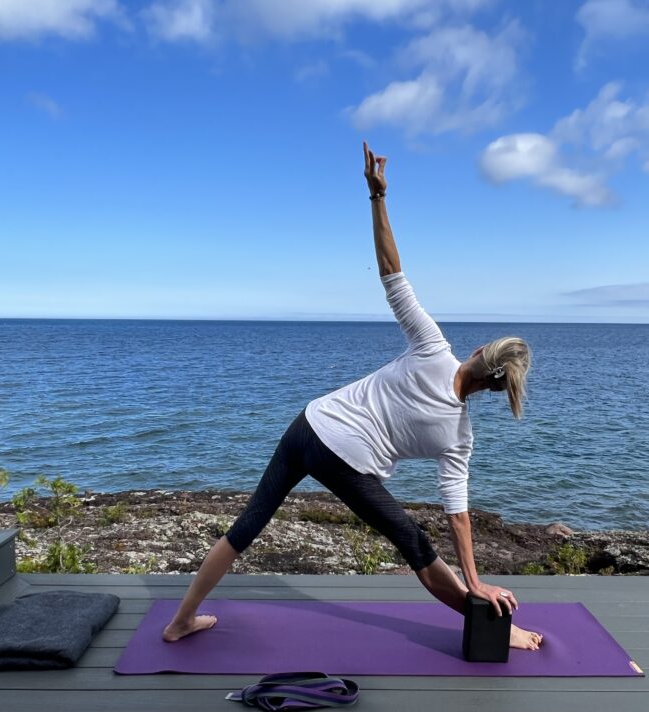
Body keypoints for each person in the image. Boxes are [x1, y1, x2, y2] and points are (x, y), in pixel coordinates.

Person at [163, 142, 543, 651]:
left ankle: (180, 621)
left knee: (246, 527)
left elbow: (391, 271)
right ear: (498, 388)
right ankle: (500, 629)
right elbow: (457, 515)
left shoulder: (433, 345)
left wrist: (377, 197)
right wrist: (475, 581)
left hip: (308, 424)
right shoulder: (459, 437)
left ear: (478, 350)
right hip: (346, 459)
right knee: (416, 545)